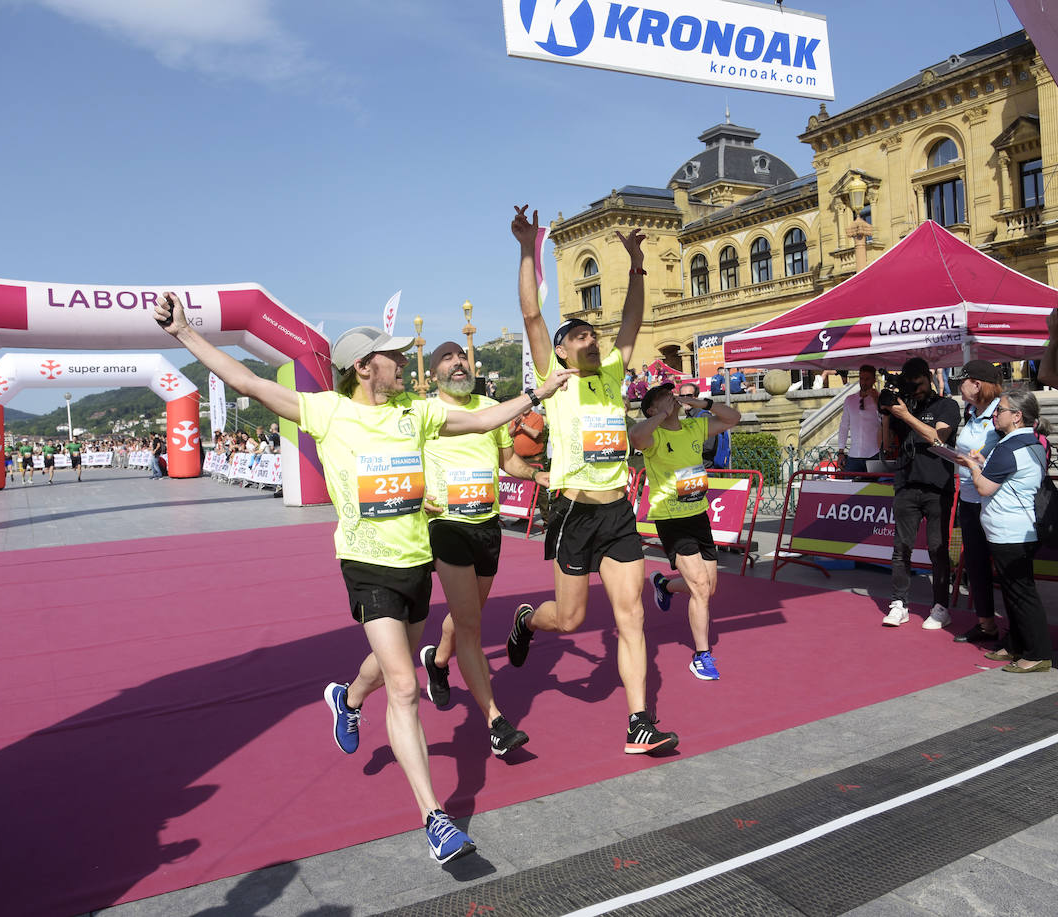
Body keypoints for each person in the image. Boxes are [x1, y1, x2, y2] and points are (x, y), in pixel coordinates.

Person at [154, 292, 573, 865]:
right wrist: (184, 333)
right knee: (403, 686)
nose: (404, 364)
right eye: (393, 358)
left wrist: (537, 393)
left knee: (393, 659)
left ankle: (346, 698)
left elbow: (479, 418)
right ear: (363, 367)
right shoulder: (328, 411)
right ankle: (436, 819)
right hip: (366, 565)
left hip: (414, 562)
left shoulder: (415, 412)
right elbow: (250, 384)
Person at [506, 203, 678, 755]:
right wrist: (526, 248)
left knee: (632, 618)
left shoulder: (610, 374)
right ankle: (530, 620)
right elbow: (533, 317)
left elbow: (631, 321)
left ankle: (638, 722)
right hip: (574, 512)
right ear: (559, 350)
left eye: (590, 332)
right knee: (573, 617)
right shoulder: (554, 379)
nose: (589, 338)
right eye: (577, 334)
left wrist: (635, 264)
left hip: (617, 512)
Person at [417, 341, 548, 757]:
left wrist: (539, 477)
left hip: (487, 526)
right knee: (471, 626)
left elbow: (507, 461)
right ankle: (496, 722)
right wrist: (418, 497)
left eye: (463, 357)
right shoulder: (423, 413)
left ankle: (437, 662)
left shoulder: (491, 408)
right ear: (433, 371)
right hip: (447, 525)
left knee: (467, 615)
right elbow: (403, 463)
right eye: (448, 358)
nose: (458, 362)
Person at [630, 383, 740, 680]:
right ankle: (701, 656)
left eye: (672, 394)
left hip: (698, 514)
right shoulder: (654, 434)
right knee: (701, 587)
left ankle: (665, 586)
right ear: (653, 408)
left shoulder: (694, 428)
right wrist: (660, 414)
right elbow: (636, 437)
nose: (672, 397)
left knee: (707, 588)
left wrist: (701, 403)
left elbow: (733, 418)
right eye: (664, 397)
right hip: (671, 519)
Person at [956, 387, 1052, 672]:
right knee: (1014, 592)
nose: (995, 415)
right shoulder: (1025, 442)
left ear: (1017, 416)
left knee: (1021, 593)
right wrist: (983, 465)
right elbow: (1005, 475)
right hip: (1013, 528)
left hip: (1011, 530)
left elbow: (984, 486)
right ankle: (1016, 644)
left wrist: (972, 466)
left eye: (1001, 411)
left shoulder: (1011, 446)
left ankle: (1037, 653)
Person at [880, 356, 960, 627]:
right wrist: (887, 413)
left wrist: (906, 416)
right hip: (905, 484)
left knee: (937, 549)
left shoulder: (946, 405)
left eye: (920, 383)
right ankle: (899, 603)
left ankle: (940, 607)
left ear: (930, 378)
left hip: (937, 488)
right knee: (901, 548)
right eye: (911, 385)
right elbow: (887, 442)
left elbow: (938, 437)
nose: (917, 390)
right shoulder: (905, 405)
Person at [950, 360, 1005, 644]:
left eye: (962, 380)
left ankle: (1016, 629)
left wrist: (983, 463)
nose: (957, 385)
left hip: (996, 500)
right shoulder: (971, 412)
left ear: (977, 384)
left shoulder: (1002, 413)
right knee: (975, 562)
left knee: (1006, 566)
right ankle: (986, 624)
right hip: (970, 497)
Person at [836, 364, 882, 474]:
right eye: (861, 378)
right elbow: (844, 426)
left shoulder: (880, 398)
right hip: (854, 455)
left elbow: (885, 421)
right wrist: (841, 451)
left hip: (874, 454)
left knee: (874, 489)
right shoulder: (850, 400)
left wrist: (877, 402)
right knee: (849, 489)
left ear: (873, 380)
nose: (864, 382)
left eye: (867, 379)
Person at [678, 381, 730, 470]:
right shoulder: (689, 416)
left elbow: (708, 446)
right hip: (691, 468)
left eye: (689, 396)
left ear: (696, 397)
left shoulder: (704, 416)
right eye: (682, 396)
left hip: (704, 470)